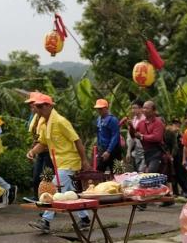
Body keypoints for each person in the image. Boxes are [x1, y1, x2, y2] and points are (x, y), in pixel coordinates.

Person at [26, 94, 91, 234]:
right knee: (70, 193)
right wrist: (32, 152)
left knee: (52, 189)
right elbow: (43, 143)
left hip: (69, 161)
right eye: (37, 106)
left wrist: (84, 161)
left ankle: (45, 221)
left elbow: (77, 140)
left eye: (41, 106)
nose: (38, 109)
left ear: (50, 106)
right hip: (60, 162)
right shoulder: (44, 123)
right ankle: (85, 219)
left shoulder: (61, 121)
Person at [135, 100, 165, 173]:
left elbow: (157, 137)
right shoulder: (141, 123)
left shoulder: (158, 123)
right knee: (142, 173)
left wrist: (142, 136)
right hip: (146, 152)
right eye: (143, 108)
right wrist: (130, 127)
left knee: (150, 174)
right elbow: (134, 134)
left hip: (156, 152)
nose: (144, 110)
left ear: (153, 110)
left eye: (147, 108)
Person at [94, 98, 121, 173]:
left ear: (106, 108)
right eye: (98, 109)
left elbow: (115, 136)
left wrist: (108, 151)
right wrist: (98, 147)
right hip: (102, 149)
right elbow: (99, 134)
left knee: (117, 172)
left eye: (101, 109)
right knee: (99, 171)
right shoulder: (99, 119)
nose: (99, 111)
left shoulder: (113, 120)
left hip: (113, 149)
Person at [121, 100, 145, 171]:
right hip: (136, 150)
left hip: (145, 149)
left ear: (141, 109)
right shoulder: (133, 120)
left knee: (142, 171)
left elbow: (140, 135)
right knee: (136, 171)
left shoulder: (145, 120)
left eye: (135, 108)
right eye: (132, 108)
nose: (133, 110)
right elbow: (130, 137)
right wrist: (128, 151)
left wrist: (132, 127)